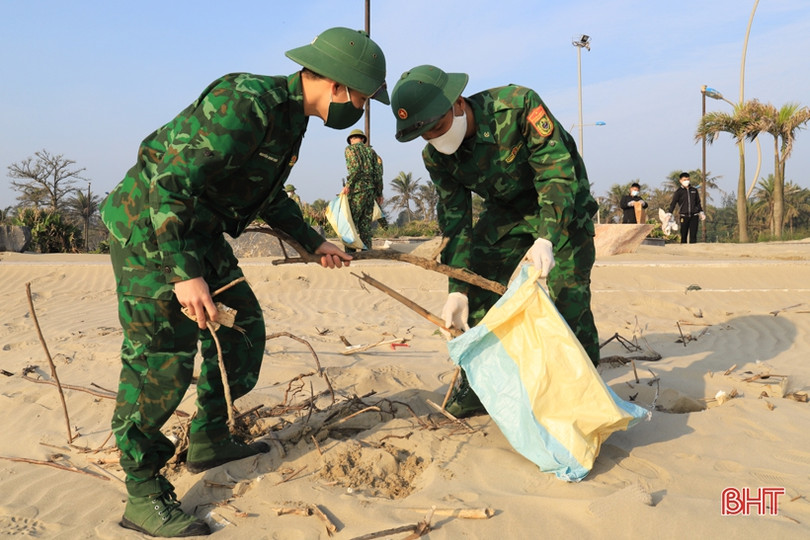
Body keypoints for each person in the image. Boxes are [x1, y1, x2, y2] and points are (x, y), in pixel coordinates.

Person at [99, 27, 388, 538]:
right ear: (340, 86)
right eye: (364, 99)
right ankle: (143, 492)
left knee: (243, 327)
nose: (362, 110)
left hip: (200, 231)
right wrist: (184, 274)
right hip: (152, 229)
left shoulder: (289, 121)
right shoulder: (247, 103)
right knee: (160, 357)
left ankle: (209, 436)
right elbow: (171, 183)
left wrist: (312, 240)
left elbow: (268, 196)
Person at [390, 65, 599, 417]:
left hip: (563, 206)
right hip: (507, 212)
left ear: (457, 102)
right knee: (478, 290)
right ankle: (478, 387)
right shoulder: (436, 158)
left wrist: (547, 237)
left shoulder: (517, 106)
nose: (437, 139)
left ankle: (583, 388)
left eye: (438, 126)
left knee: (568, 295)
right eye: (425, 135)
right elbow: (455, 222)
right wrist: (457, 287)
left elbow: (556, 174)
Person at [341, 128, 384, 250]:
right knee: (365, 225)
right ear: (362, 139)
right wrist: (379, 193)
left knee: (351, 223)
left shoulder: (350, 149)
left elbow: (355, 169)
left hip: (357, 190)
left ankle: (351, 252)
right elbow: (378, 174)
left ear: (351, 139)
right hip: (370, 191)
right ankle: (367, 252)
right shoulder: (372, 152)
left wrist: (348, 185)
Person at [666, 172, 705, 243]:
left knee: (693, 235)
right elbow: (673, 203)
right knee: (683, 235)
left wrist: (701, 212)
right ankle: (683, 250)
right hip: (684, 216)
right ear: (680, 181)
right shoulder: (678, 192)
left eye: (688, 179)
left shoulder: (694, 190)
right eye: (684, 180)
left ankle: (693, 251)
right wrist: (669, 213)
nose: (687, 181)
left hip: (694, 216)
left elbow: (698, 203)